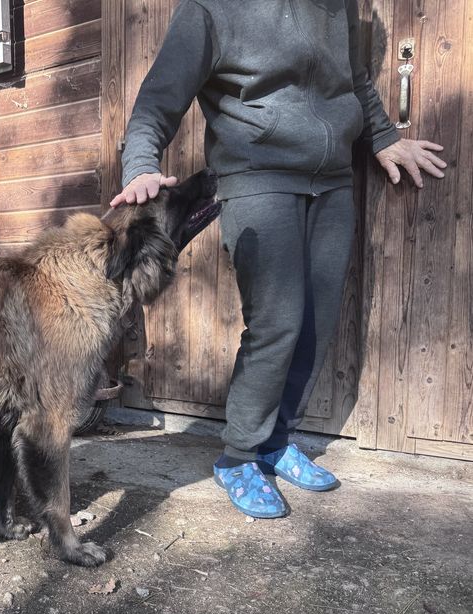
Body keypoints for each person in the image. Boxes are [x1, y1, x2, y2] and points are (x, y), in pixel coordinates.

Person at [111, 0, 446, 518]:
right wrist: (140, 166)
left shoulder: (335, 6)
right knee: (277, 325)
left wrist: (383, 139)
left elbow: (353, 82)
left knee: (316, 323)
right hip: (256, 180)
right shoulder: (208, 10)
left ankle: (275, 441)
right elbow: (157, 100)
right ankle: (240, 455)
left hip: (332, 183)